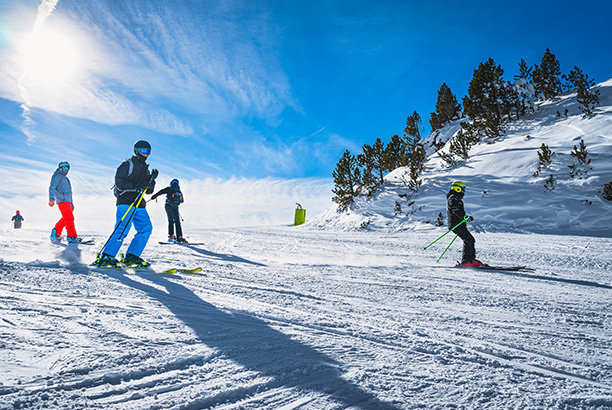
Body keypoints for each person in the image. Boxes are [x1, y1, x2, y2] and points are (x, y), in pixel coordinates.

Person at [95, 140, 158, 267]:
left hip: (139, 203)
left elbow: (149, 191)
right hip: (126, 201)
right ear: (136, 151)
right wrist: (136, 186)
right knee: (123, 227)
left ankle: (132, 256)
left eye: (148, 152)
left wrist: (152, 180)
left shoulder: (145, 169)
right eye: (143, 151)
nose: (146, 154)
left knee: (146, 229)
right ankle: (107, 256)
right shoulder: (127, 164)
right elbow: (119, 182)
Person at [446, 181, 483, 267]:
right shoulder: (453, 199)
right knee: (469, 240)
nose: (464, 191)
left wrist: (465, 218)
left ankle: (470, 259)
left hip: (459, 224)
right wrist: (464, 217)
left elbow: (458, 211)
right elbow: (455, 210)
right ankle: (467, 261)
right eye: (462, 189)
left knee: (470, 240)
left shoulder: (456, 199)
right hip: (455, 225)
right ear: (457, 189)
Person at [48, 161, 82, 243]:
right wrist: (51, 199)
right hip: (62, 200)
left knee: (66, 218)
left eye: (68, 168)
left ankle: (56, 232)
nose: (67, 170)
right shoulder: (57, 176)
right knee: (69, 219)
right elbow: (52, 188)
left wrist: (72, 204)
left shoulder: (66, 179)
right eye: (65, 168)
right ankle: (71, 237)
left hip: (67, 201)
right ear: (60, 168)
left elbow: (70, 193)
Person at [151, 179, 187, 243]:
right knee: (177, 222)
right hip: (175, 208)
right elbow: (182, 201)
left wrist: (154, 196)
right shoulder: (179, 191)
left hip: (167, 206)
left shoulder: (169, 189)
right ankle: (179, 236)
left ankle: (171, 235)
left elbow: (161, 192)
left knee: (170, 220)